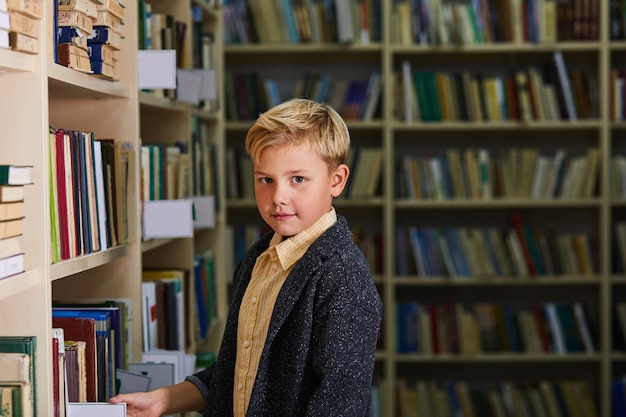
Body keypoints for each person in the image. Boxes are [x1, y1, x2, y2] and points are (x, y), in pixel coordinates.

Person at [110, 98, 383, 416]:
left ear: (336, 180)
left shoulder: (342, 277)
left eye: (298, 179)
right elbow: (241, 372)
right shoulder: (258, 259)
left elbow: (340, 404)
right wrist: (164, 401)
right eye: (266, 180)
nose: (278, 197)